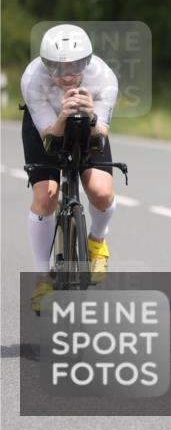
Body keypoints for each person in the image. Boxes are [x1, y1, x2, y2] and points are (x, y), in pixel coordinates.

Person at [20, 24, 120, 312]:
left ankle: (97, 241)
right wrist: (63, 115)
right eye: (57, 68)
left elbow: (101, 133)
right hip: (47, 127)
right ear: (45, 65)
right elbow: (49, 139)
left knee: (100, 192)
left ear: (87, 61)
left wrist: (89, 114)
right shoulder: (32, 79)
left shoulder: (103, 78)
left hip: (90, 122)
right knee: (46, 195)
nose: (67, 76)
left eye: (75, 67)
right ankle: (42, 278)